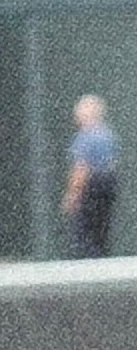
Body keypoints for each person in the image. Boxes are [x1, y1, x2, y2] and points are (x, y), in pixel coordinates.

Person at [61, 93, 120, 258]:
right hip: (108, 185)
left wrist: (73, 194)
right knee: (101, 230)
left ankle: (89, 265)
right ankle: (100, 262)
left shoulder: (85, 138)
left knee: (84, 232)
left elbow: (81, 169)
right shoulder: (108, 135)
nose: (76, 113)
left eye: (80, 109)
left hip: (91, 187)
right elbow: (112, 164)